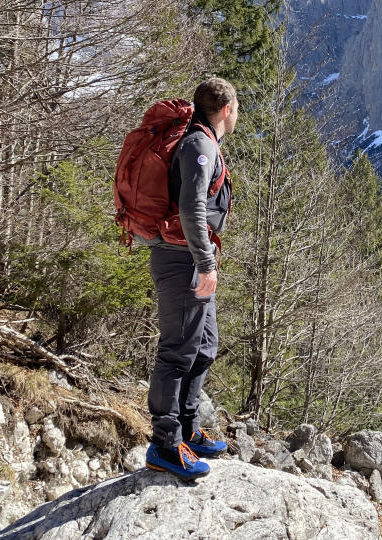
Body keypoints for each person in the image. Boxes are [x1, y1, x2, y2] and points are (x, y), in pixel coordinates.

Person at [144, 78, 239, 478]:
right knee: (178, 351)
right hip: (183, 260)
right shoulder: (200, 145)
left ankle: (186, 429)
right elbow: (191, 209)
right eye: (237, 108)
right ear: (227, 109)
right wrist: (206, 263)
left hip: (191, 259)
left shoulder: (202, 141)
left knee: (204, 346)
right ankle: (165, 445)